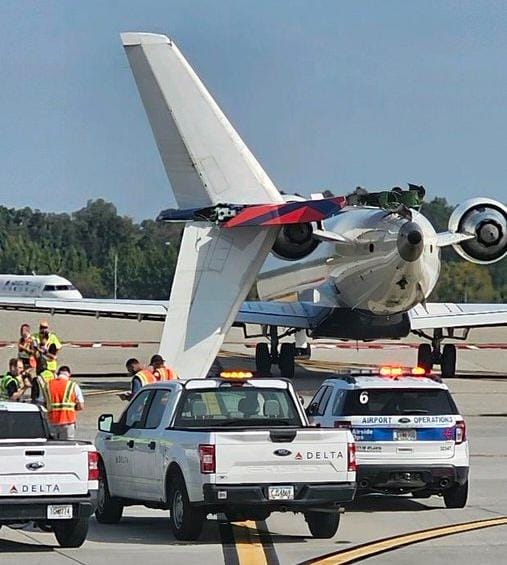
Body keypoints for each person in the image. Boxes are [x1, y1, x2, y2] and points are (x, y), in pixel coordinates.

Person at [46, 366, 84, 439]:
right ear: (69, 375)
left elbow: (42, 402)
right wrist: (74, 407)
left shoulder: (48, 385)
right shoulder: (73, 385)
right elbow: (81, 406)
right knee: (67, 446)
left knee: (52, 446)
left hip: (52, 422)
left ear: (57, 374)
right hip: (68, 422)